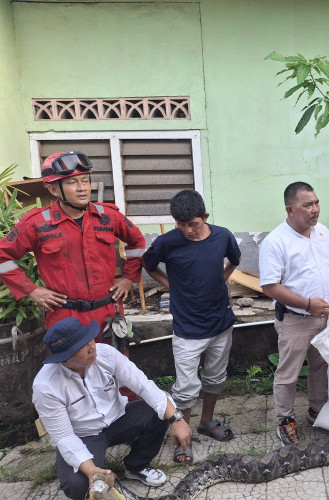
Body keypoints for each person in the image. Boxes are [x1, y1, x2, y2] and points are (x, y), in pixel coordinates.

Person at [32, 317, 191, 500]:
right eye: (81, 347)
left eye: (89, 339)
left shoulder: (106, 354)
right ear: (64, 358)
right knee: (77, 485)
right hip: (84, 435)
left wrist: (177, 419)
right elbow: (64, 436)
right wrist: (91, 470)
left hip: (118, 418)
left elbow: (143, 385)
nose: (92, 347)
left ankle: (136, 465)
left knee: (158, 411)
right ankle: (86, 469)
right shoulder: (45, 386)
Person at [143, 189, 241, 462]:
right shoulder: (167, 242)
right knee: (185, 387)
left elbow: (236, 259)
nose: (187, 230)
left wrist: (222, 278)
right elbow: (148, 264)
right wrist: (170, 285)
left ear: (205, 217)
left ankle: (206, 422)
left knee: (215, 377)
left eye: (193, 224)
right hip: (187, 328)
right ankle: (181, 435)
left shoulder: (223, 236)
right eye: (181, 224)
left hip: (221, 322)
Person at [0, 151, 146, 331]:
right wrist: (31, 290)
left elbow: (137, 243)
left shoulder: (108, 216)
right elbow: (2, 257)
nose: (82, 187)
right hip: (65, 317)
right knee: (71, 360)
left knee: (114, 359)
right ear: (53, 189)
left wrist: (128, 278)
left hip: (108, 314)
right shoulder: (36, 223)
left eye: (85, 180)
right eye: (72, 182)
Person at [258, 181, 329, 445]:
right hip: (296, 319)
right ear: (290, 209)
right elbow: (270, 286)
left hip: (326, 316)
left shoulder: (321, 232)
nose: (315, 209)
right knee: (288, 373)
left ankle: (317, 409)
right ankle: (284, 420)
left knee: (320, 365)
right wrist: (308, 304)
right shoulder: (275, 242)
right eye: (307, 205)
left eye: (316, 203)